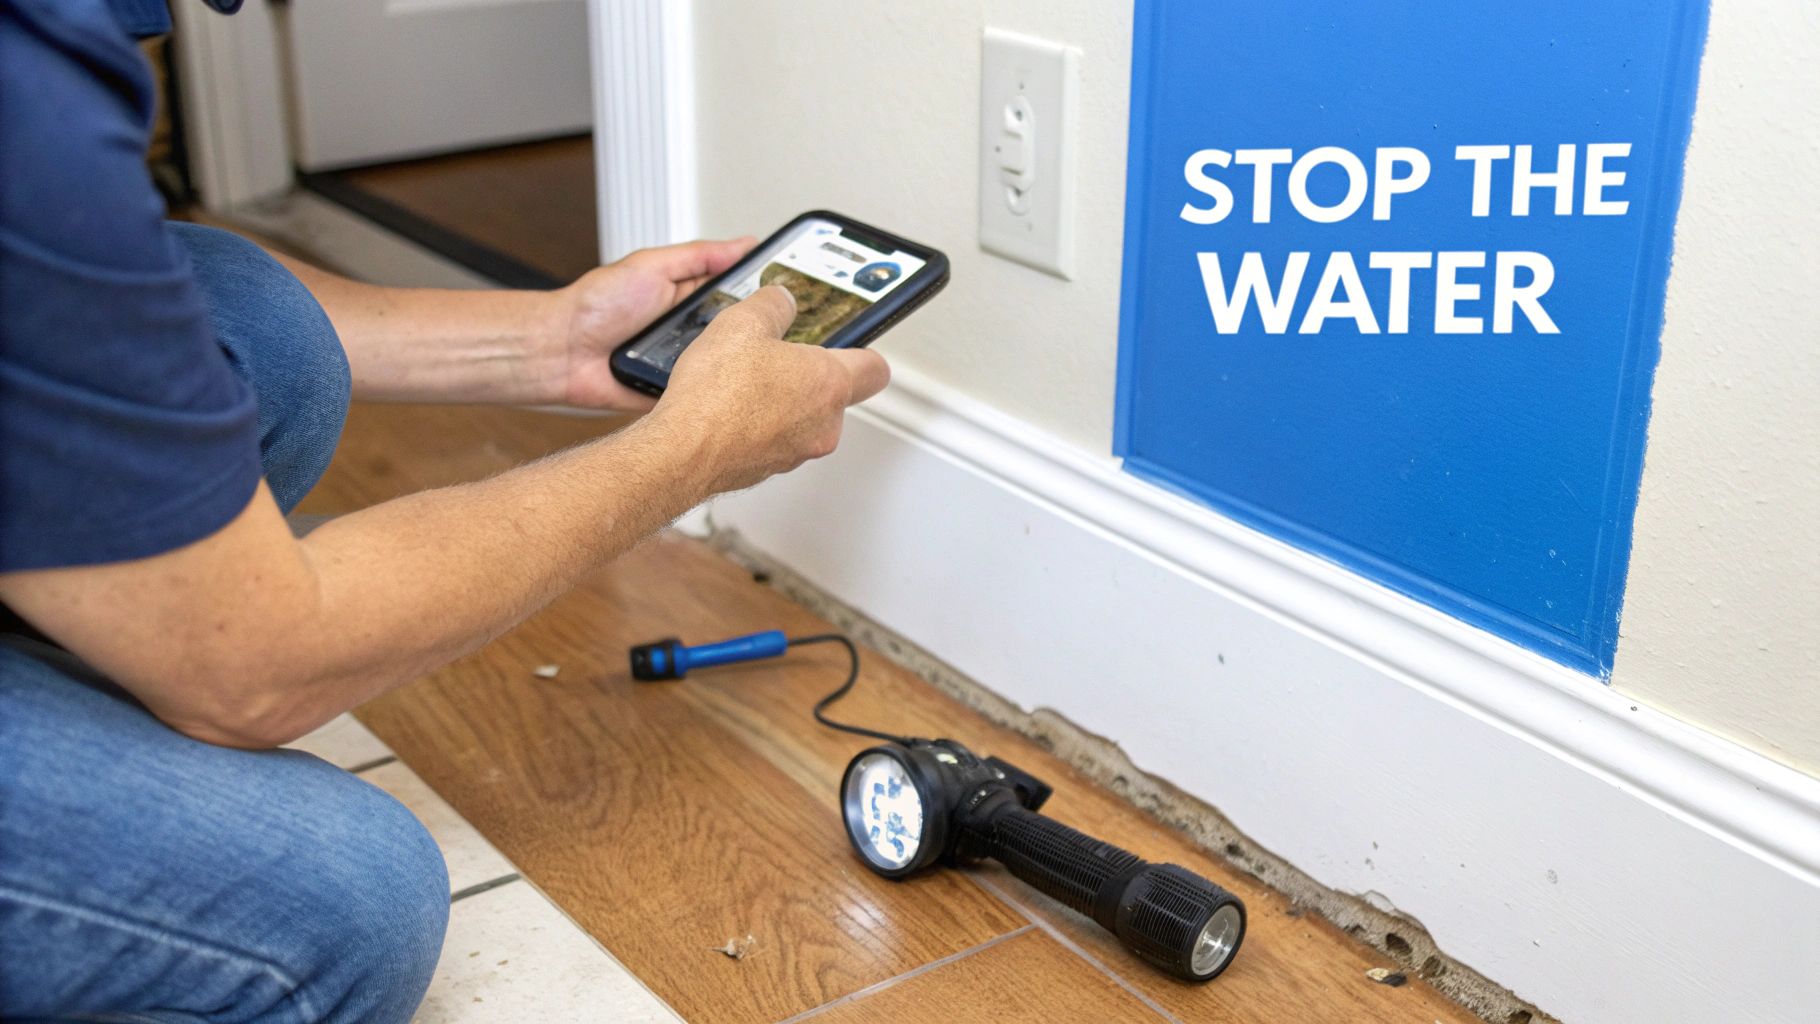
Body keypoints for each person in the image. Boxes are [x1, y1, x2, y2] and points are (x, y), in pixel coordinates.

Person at [0, 0, 890, 1020]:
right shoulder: (29, 69)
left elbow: (89, 278)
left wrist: (550, 342)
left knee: (251, 323)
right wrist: (689, 451)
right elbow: (258, 664)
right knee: (335, 900)